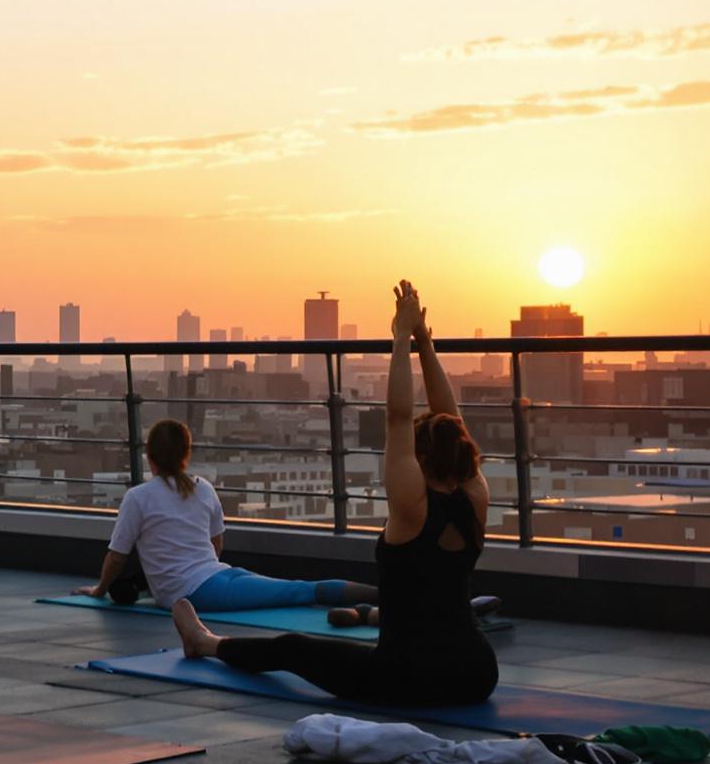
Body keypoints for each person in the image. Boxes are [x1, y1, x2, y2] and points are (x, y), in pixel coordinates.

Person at [174, 281, 498, 707]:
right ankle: (364, 617)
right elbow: (449, 418)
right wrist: (424, 344)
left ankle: (205, 642)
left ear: (420, 458)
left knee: (293, 648)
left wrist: (402, 337)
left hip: (409, 675)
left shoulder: (411, 507)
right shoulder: (476, 496)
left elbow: (398, 418)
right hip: (476, 673)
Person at [73, 419, 377, 616]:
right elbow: (215, 543)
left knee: (299, 590)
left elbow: (116, 557)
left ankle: (386, 597)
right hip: (216, 576)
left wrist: (99, 590)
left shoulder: (137, 497)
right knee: (297, 589)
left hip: (201, 588)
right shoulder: (202, 488)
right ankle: (386, 597)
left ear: (149, 457)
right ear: (186, 454)